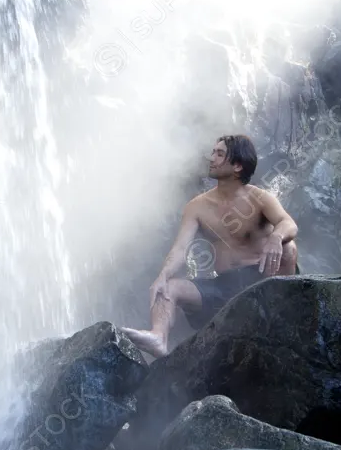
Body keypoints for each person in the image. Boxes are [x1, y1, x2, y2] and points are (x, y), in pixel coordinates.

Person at [122, 134, 298, 360]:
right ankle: (158, 337)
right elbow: (179, 249)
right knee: (168, 287)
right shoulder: (197, 206)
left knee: (288, 247)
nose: (211, 158)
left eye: (219, 154)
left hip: (263, 279)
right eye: (213, 152)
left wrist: (276, 237)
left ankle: (283, 314)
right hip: (224, 288)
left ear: (237, 165)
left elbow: (288, 223)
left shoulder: (260, 197)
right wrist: (163, 276)